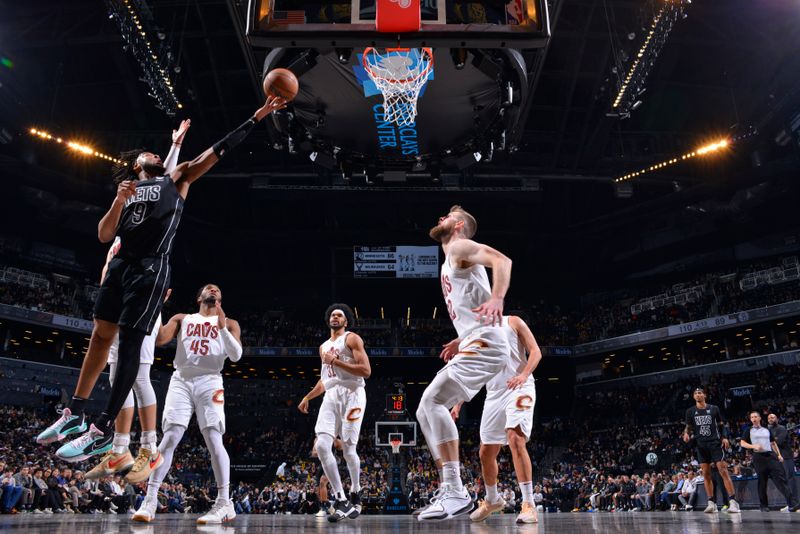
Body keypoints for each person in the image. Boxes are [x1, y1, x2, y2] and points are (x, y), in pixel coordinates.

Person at [36, 97, 285, 462]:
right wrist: (118, 202)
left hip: (150, 269)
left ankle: (102, 430)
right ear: (136, 165)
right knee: (101, 336)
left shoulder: (176, 178)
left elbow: (215, 153)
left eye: (158, 153)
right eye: (148, 153)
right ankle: (74, 413)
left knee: (131, 348)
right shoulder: (128, 191)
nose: (154, 154)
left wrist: (255, 117)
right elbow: (105, 235)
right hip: (121, 264)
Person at [81, 122, 190, 484]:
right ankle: (119, 450)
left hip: (143, 297)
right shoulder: (127, 208)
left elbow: (165, 183)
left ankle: (148, 448)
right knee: (118, 374)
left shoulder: (156, 194)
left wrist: (174, 147)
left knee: (138, 374)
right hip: (123, 298)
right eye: (152, 154)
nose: (157, 155)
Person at [416, 205, 513, 522]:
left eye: (446, 215)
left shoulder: (459, 245)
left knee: (433, 401)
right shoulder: (450, 259)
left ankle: (455, 490)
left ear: (457, 225)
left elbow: (502, 260)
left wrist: (498, 298)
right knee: (424, 409)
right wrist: (463, 337)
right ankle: (449, 487)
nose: (439, 217)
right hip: (477, 339)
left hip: (487, 341)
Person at [132, 283, 243, 524]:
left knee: (214, 439)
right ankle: (150, 500)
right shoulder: (183, 318)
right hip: (181, 379)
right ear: (199, 296)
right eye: (208, 288)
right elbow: (160, 338)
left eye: (217, 289)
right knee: (170, 437)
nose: (213, 289)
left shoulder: (230, 323)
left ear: (221, 299)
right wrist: (157, 305)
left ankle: (224, 502)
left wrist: (222, 326)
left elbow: (236, 356)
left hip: (211, 381)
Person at [451, 315, 542, 524]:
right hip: (494, 394)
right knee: (485, 453)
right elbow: (472, 375)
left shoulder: (514, 322)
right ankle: (492, 499)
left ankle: (529, 504)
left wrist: (524, 375)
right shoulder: (475, 334)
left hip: (520, 386)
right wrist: (457, 404)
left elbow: (536, 352)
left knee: (515, 439)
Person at [298, 304, 371, 522]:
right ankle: (341, 499)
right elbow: (325, 379)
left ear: (346, 321)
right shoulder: (323, 347)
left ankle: (356, 492)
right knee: (321, 445)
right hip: (331, 394)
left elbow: (366, 371)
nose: (335, 317)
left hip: (353, 393)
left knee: (348, 449)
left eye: (339, 315)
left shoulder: (351, 339)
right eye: (332, 314)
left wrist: (337, 361)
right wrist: (307, 397)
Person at [682, 387, 740, 513]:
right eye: (696, 393)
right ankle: (711, 502)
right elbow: (688, 427)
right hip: (701, 445)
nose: (698, 395)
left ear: (704, 395)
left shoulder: (714, 408)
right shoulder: (690, 411)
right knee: (706, 474)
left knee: (723, 471)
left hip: (715, 443)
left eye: (700, 393)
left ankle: (733, 502)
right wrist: (686, 434)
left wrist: (724, 437)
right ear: (693, 396)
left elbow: (721, 424)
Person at [740, 411, 800, 512]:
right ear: (750, 420)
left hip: (771, 456)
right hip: (758, 457)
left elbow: (773, 443)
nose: (754, 419)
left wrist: (779, 455)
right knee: (762, 482)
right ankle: (764, 505)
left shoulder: (766, 430)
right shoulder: (748, 430)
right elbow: (742, 443)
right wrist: (753, 446)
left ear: (759, 418)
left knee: (781, 480)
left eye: (755, 417)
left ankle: (792, 504)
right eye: (752, 417)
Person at [768, 413, 797, 505]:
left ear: (777, 419)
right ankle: (789, 503)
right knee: (782, 481)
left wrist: (769, 442)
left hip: (786, 457)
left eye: (772, 417)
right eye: (769, 418)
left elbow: (778, 442)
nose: (770, 419)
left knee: (790, 478)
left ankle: (795, 503)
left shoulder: (781, 428)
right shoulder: (768, 430)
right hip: (776, 458)